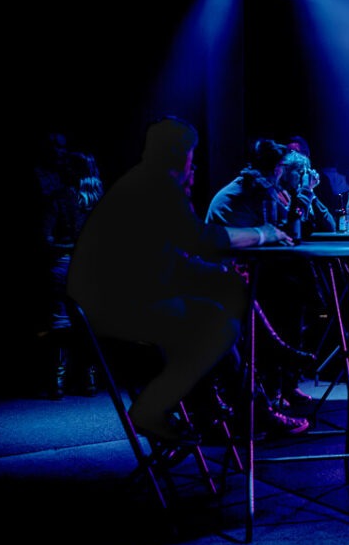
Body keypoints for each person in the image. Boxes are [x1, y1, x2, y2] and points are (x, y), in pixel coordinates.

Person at [67, 116, 297, 444]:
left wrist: (221, 275)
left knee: (220, 304)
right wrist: (263, 234)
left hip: (108, 303)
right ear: (181, 154)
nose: (195, 163)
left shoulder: (142, 182)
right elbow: (201, 239)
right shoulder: (157, 186)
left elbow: (168, 261)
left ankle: (221, 409)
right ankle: (156, 409)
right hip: (112, 311)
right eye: (192, 155)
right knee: (218, 325)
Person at [206, 140, 328, 411]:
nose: (287, 174)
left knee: (292, 287)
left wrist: (308, 196)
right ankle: (275, 385)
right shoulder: (255, 190)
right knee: (287, 292)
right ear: (277, 169)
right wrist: (305, 194)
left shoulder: (265, 189)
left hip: (248, 268)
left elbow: (300, 230)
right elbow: (289, 232)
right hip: (229, 274)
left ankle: (284, 381)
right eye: (289, 169)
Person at [40, 148, 104, 398]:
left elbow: (45, 239)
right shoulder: (102, 201)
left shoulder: (57, 199)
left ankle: (58, 382)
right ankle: (90, 380)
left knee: (61, 321)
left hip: (64, 265)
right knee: (89, 323)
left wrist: (68, 246)